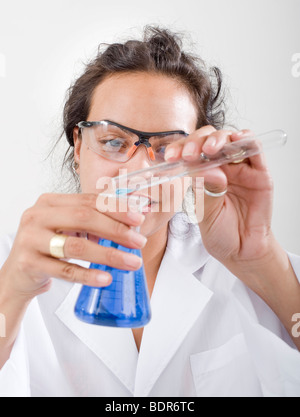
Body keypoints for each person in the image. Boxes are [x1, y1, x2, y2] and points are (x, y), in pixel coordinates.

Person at [0, 26, 299, 398]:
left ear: (197, 162)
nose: (139, 173)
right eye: (113, 142)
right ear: (78, 149)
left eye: (167, 148)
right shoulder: (13, 263)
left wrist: (260, 261)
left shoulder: (251, 266)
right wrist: (9, 295)